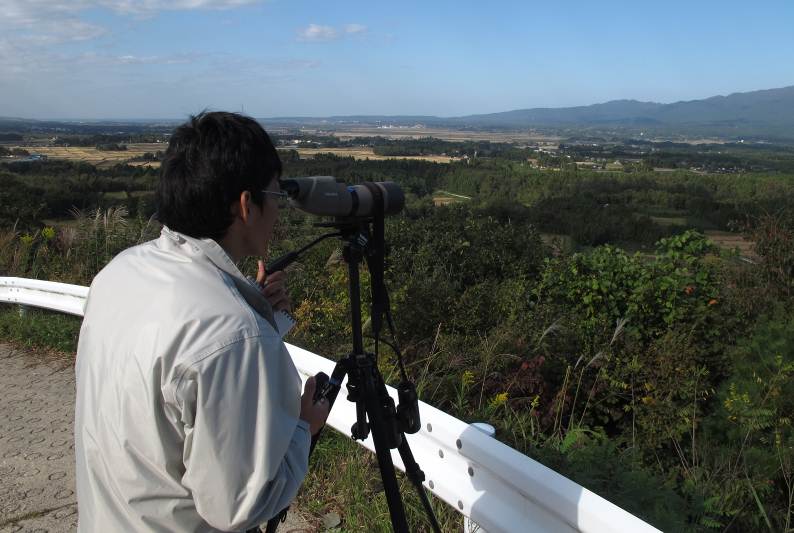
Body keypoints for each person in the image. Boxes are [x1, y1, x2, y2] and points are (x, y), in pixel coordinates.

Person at [74, 111, 329, 532]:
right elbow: (240, 506)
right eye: (275, 194)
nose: (278, 212)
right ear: (246, 205)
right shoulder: (233, 333)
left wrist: (250, 308)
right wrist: (304, 427)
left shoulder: (120, 271)